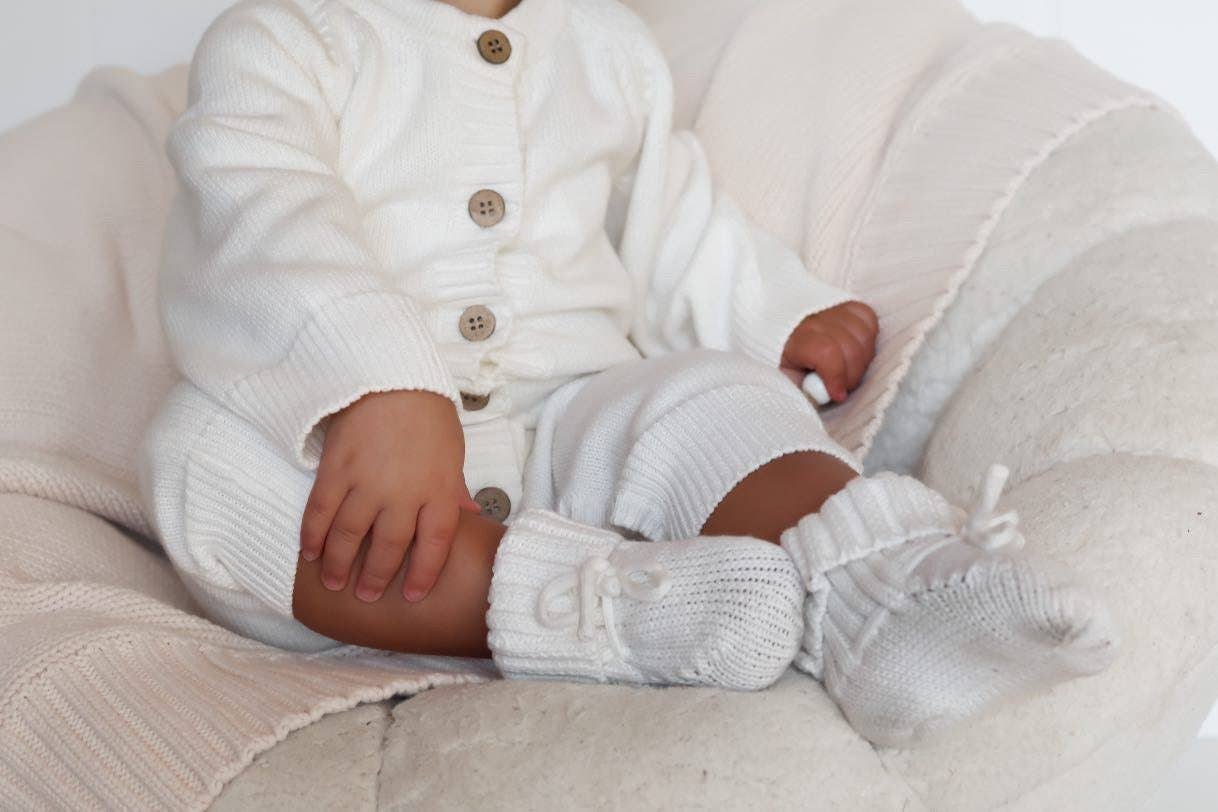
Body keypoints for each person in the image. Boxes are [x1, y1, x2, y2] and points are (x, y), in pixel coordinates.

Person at [138, 0, 1119, 746]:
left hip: (570, 421)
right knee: (201, 461)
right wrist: (378, 384)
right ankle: (623, 610)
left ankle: (879, 589)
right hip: (359, 467)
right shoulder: (284, 38)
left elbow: (670, 223)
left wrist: (772, 311)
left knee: (715, 395)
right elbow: (260, 208)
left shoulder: (607, 48)